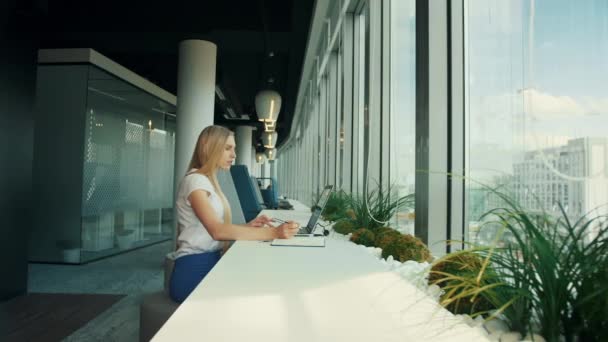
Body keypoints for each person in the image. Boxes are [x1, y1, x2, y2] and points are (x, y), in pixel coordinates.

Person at [169, 125, 300, 303]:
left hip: (209, 260)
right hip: (194, 269)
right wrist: (274, 233)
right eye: (227, 148)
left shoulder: (206, 182)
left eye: (234, 149)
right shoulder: (195, 181)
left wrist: (247, 227)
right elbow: (217, 231)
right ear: (208, 146)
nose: (234, 155)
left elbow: (210, 229)